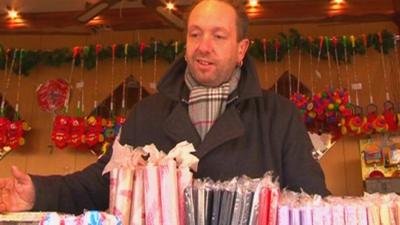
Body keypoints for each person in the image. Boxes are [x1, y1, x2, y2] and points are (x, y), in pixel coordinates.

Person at [0, 0, 329, 215]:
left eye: (218, 36)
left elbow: (312, 203)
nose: (204, 46)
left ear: (241, 48)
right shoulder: (148, 114)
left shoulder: (278, 116)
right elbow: (99, 186)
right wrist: (37, 193)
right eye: (195, 34)